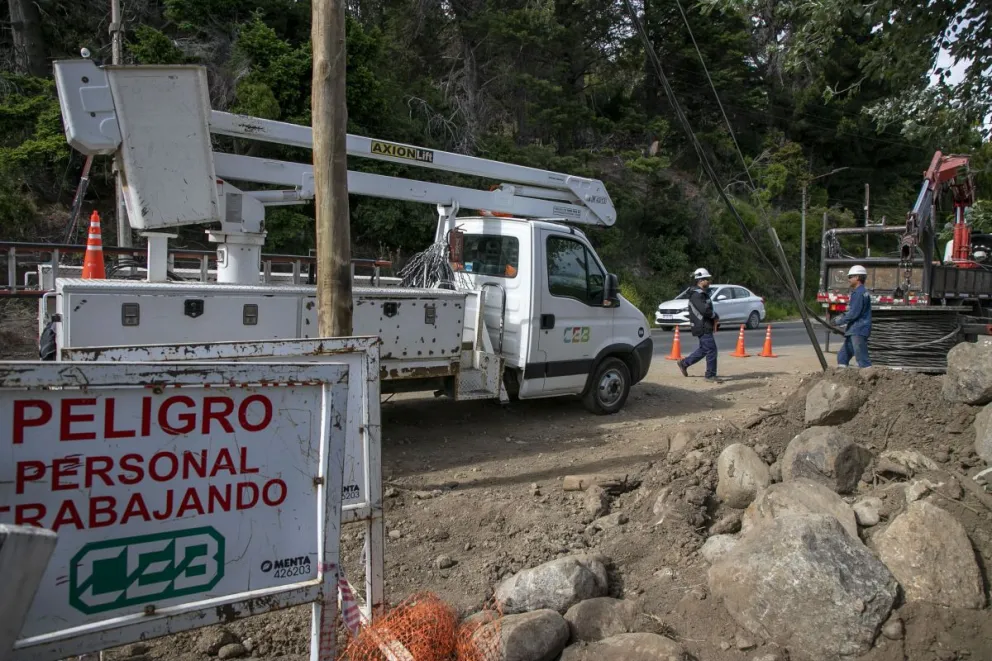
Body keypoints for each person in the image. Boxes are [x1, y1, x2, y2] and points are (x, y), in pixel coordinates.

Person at [677, 268, 722, 383]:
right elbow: (704, 310)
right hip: (702, 326)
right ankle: (710, 375)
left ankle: (684, 363)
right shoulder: (696, 295)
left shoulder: (701, 293)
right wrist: (715, 315)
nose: (709, 281)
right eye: (707, 279)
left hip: (704, 325)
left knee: (704, 349)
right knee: (711, 350)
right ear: (700, 280)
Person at [833, 265, 872, 368]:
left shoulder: (859, 293)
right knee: (842, 357)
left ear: (857, 277)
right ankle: (842, 375)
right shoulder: (862, 292)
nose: (848, 279)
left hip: (858, 330)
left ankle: (869, 375)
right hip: (854, 330)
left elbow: (853, 314)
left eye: (850, 277)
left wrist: (838, 321)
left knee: (862, 359)